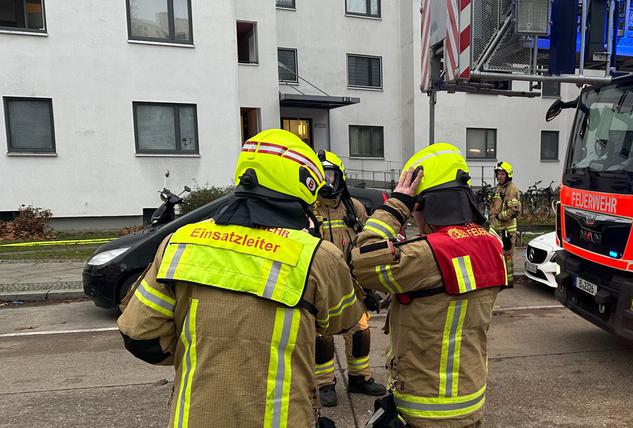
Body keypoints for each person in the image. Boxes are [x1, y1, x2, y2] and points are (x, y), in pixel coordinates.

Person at [118, 129, 364, 427]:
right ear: (303, 184)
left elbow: (139, 335)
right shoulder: (316, 256)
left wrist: (206, 354)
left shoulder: (180, 242)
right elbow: (341, 321)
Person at [352, 143, 507, 427]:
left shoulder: (426, 255)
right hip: (470, 399)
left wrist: (397, 203)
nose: (414, 216)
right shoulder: (491, 242)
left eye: (416, 206)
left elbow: (362, 260)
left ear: (427, 204)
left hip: (427, 408)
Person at [311, 151, 387, 407]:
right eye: (321, 177)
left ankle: (359, 378)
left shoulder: (354, 208)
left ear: (340, 177)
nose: (326, 183)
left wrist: (371, 286)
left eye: (330, 176)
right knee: (321, 336)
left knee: (360, 331)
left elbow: (365, 248)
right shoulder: (308, 210)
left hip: (351, 283)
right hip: (320, 284)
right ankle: (324, 384)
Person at [489, 161, 520, 284]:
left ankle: (508, 281)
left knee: (507, 255)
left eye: (502, 174)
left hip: (507, 229)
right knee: (497, 254)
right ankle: (500, 278)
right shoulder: (499, 187)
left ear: (508, 175)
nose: (499, 176)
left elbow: (514, 210)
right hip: (497, 227)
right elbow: (496, 204)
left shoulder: (512, 189)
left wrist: (501, 216)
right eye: (498, 174)